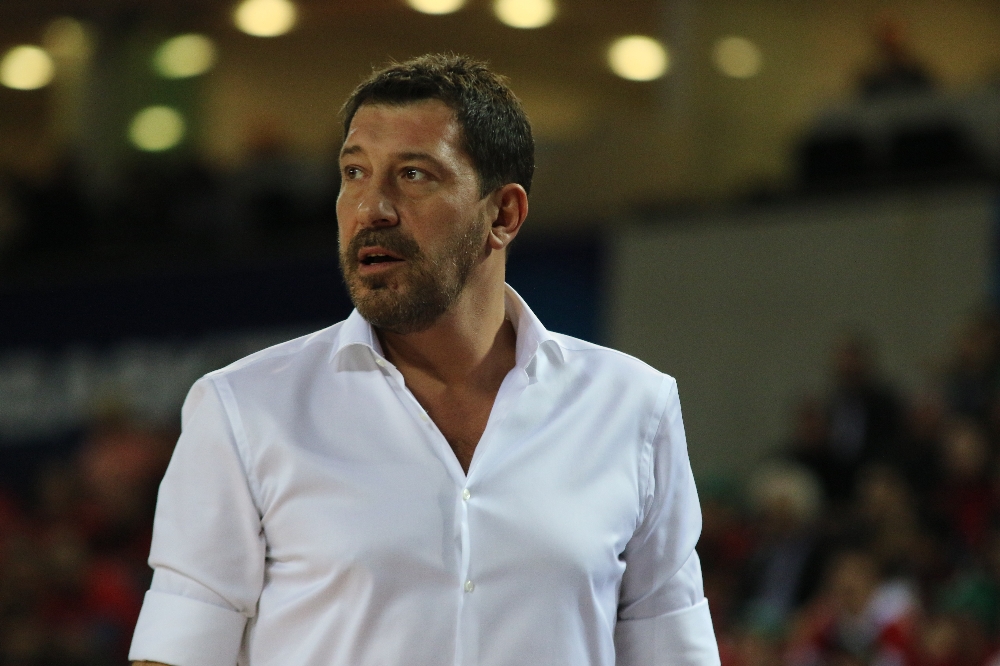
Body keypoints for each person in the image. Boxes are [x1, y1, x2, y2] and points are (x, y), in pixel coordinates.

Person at [128, 53, 719, 666]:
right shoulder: (243, 409)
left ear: (503, 214)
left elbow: (672, 650)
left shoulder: (633, 406)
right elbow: (175, 652)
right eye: (354, 172)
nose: (371, 208)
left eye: (413, 175)